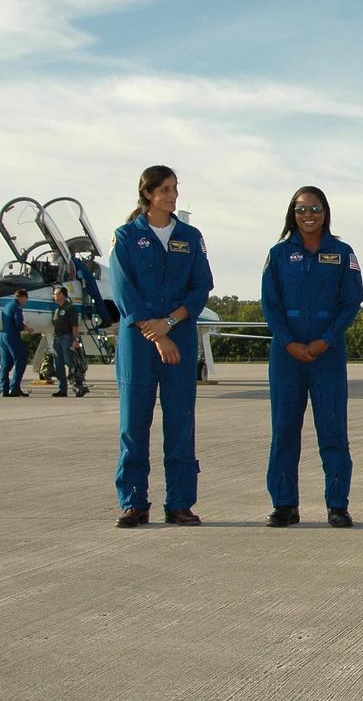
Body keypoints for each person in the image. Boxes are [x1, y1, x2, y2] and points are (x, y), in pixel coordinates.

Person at [110, 166, 214, 528]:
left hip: (180, 339)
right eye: (165, 189)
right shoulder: (125, 236)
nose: (172, 196)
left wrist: (169, 324)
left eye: (174, 189)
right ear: (148, 194)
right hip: (138, 342)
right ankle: (133, 502)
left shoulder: (190, 236)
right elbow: (123, 290)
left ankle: (180, 503)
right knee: (133, 424)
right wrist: (155, 333)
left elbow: (201, 286)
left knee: (181, 421)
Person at [261, 187, 363, 528]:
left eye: (316, 208)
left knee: (333, 431)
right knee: (285, 432)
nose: (309, 215)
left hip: (327, 355)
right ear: (292, 212)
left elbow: (350, 303)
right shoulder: (278, 255)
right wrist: (289, 342)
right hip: (286, 355)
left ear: (326, 212)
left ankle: (337, 505)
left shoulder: (342, 252)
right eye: (302, 208)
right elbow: (271, 306)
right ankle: (284, 505)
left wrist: (326, 340)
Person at [50, 286, 87, 397]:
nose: (53, 296)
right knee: (59, 364)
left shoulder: (71, 308)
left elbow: (74, 326)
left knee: (71, 363)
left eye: (55, 294)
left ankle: (77, 386)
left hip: (67, 338)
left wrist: (75, 340)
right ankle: (62, 389)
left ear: (62, 294)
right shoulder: (56, 310)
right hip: (57, 339)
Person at [2, 289, 34, 397]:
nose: (26, 302)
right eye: (26, 299)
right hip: (12, 336)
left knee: (6, 364)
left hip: (3, 336)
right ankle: (14, 387)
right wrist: (27, 328)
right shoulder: (17, 307)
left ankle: (4, 388)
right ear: (22, 297)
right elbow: (19, 324)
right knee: (21, 360)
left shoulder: (6, 306)